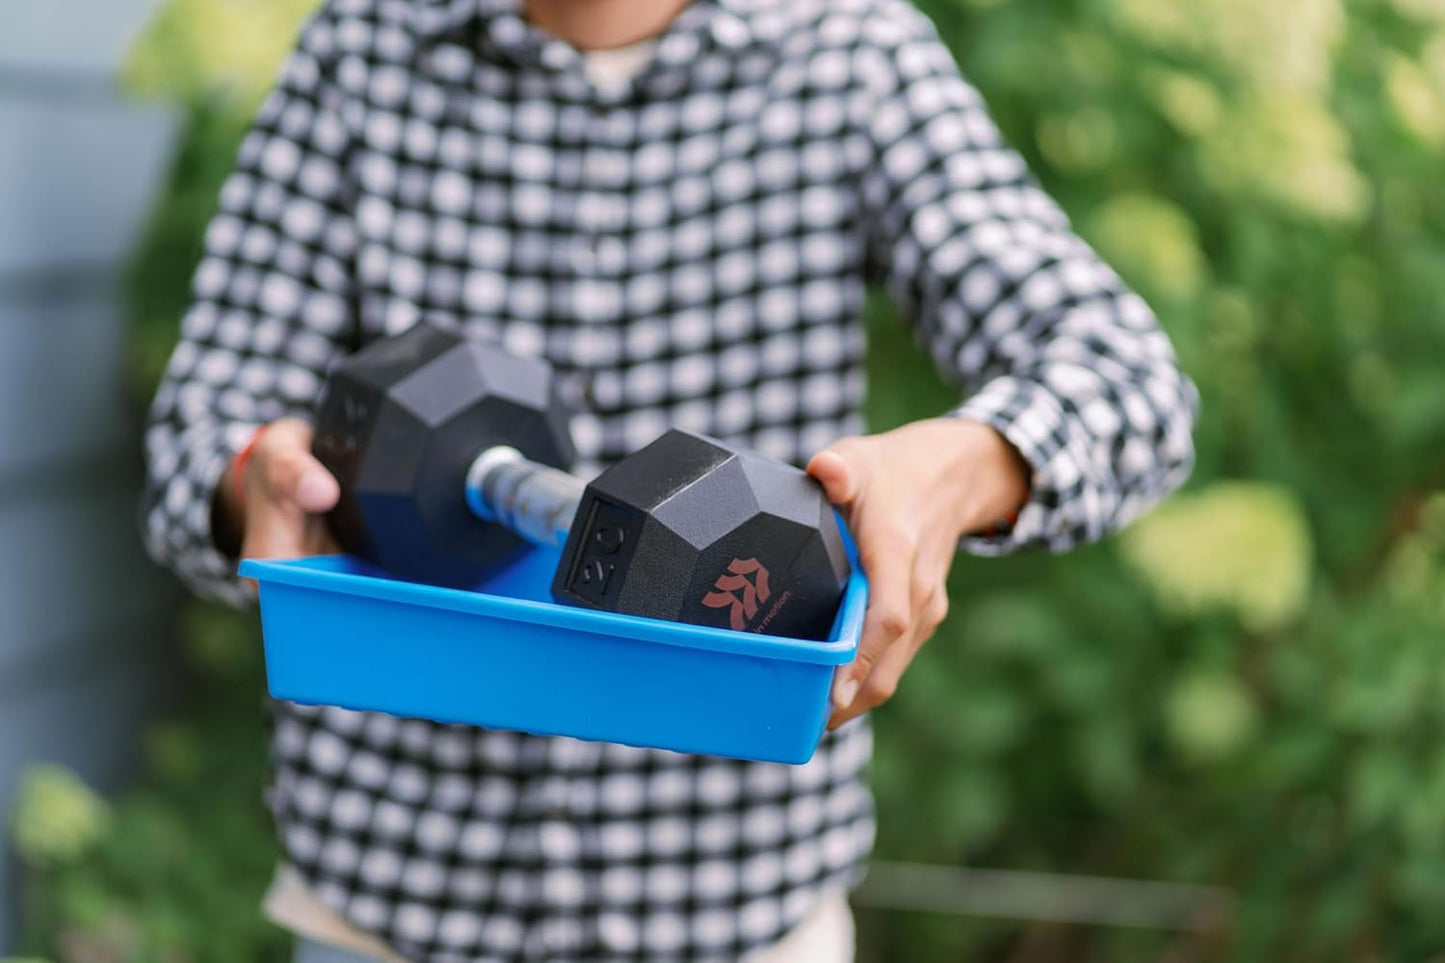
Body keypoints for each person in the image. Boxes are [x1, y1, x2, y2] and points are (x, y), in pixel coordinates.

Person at [141, 0, 1198, 958]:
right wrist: (262, 483)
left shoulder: (850, 55)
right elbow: (198, 438)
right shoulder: (360, 52)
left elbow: (1128, 383)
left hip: (740, 911)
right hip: (386, 911)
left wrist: (958, 469)